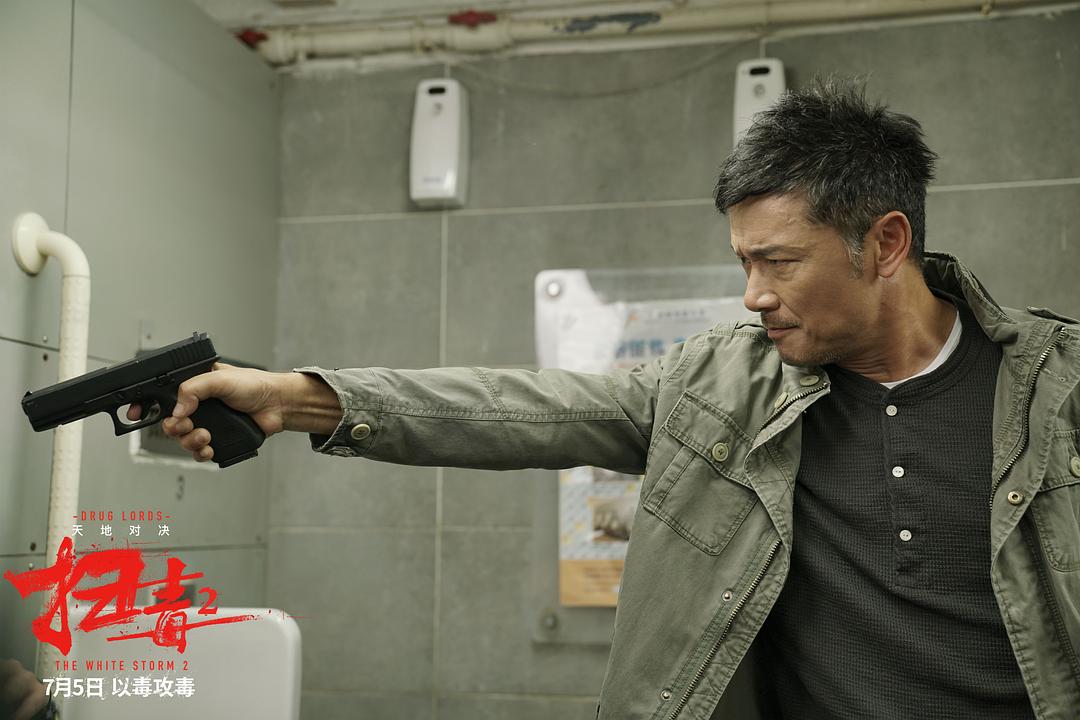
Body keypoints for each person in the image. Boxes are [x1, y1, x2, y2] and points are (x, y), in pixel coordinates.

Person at [146, 79, 1079, 718]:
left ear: (886, 243)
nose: (753, 295)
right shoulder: (723, 388)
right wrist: (297, 397)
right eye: (743, 262)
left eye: (779, 261)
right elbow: (523, 407)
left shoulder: (1057, 391)